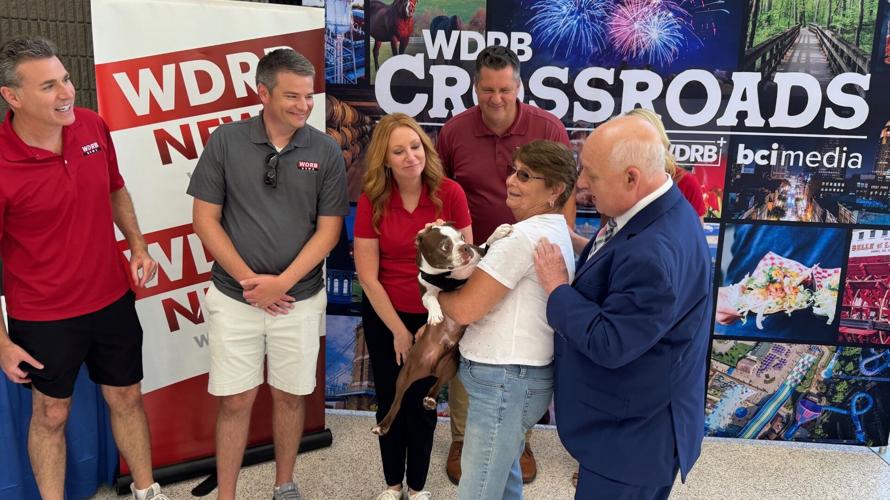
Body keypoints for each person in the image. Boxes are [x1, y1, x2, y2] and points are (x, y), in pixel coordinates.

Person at [0, 36, 166, 500]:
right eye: (49, 86)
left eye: (66, 79)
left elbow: (116, 189)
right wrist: (1, 342)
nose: (67, 93)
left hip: (111, 298)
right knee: (51, 414)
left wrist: (138, 245)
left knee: (127, 397)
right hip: (44, 315)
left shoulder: (92, 126)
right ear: (12, 97)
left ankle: (147, 490)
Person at [188, 48, 347, 500]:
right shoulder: (225, 141)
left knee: (290, 396)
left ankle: (285, 485)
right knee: (235, 401)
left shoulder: (326, 150)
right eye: (291, 96)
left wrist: (280, 284)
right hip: (235, 298)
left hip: (297, 298)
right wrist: (250, 284)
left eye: (308, 96)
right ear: (262, 92)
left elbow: (329, 231)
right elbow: (205, 219)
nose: (303, 106)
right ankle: (228, 495)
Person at [533, 114, 712, 500]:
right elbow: (624, 270)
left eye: (592, 176)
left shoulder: (652, 254)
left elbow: (610, 342)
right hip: (641, 426)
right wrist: (579, 245)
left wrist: (557, 288)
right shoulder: (662, 208)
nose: (581, 184)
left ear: (631, 178)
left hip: (632, 442)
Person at [435, 44, 572, 484]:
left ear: (519, 85)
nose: (496, 98)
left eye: (505, 90)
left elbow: (563, 200)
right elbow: (445, 193)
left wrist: (555, 244)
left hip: (526, 255)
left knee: (512, 342)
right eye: (488, 90)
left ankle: (514, 439)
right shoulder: (455, 132)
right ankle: (463, 437)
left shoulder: (547, 127)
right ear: (476, 87)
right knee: (470, 345)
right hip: (475, 255)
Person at [354, 113, 472, 500]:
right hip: (386, 315)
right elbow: (368, 276)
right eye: (399, 151)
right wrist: (399, 331)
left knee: (422, 405)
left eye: (416, 147)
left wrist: (431, 326)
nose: (410, 157)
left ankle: (418, 489)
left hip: (434, 315)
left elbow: (467, 265)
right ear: (384, 159)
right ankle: (392, 486)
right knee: (389, 400)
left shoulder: (450, 193)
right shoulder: (372, 200)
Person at [626, 108, 706, 221]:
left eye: (641, 138)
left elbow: (696, 235)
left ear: (658, 139)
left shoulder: (686, 182)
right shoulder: (617, 180)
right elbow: (607, 233)